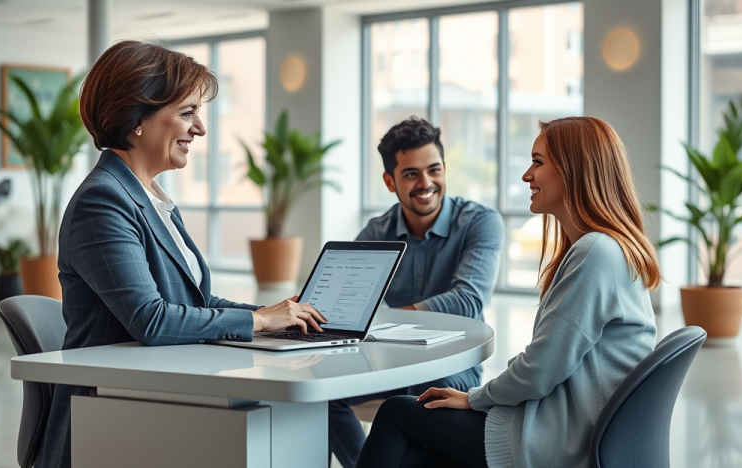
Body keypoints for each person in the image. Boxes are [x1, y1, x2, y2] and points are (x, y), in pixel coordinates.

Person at [35, 40, 326, 468]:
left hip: (157, 394)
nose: (200, 129)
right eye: (187, 113)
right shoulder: (102, 202)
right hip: (109, 413)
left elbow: (195, 303)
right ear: (136, 119)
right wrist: (260, 321)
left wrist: (276, 313)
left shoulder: (148, 195)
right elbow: (151, 319)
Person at [353, 116, 661, 468]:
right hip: (565, 428)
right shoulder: (601, 249)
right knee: (409, 457)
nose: (526, 175)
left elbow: (539, 370)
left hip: (557, 440)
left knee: (397, 413)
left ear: (572, 170)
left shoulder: (596, 253)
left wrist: (476, 398)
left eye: (537, 162)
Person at [329, 117, 504, 467]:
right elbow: (345, 305)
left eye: (434, 169)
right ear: (389, 181)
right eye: (410, 174)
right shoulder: (377, 232)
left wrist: (389, 318)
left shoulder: (479, 222)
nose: (426, 183)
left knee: (430, 392)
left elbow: (467, 301)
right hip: (393, 361)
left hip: (452, 366)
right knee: (321, 392)